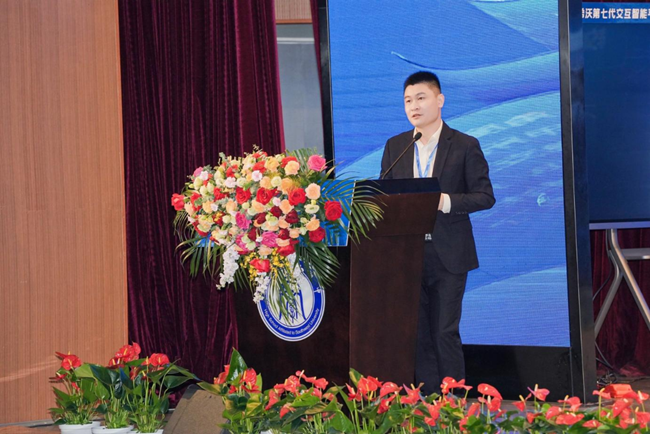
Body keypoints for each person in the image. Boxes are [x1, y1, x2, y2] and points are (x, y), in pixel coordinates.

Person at [380, 71, 495, 394]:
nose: (413, 106)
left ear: (439, 100)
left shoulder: (465, 145)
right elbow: (385, 195)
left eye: (421, 98)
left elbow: (485, 196)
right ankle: (426, 402)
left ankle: (454, 400)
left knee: (444, 331)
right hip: (408, 255)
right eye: (408, 101)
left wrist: (444, 201)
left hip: (449, 253)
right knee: (417, 333)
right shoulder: (396, 146)